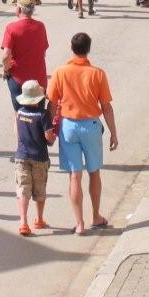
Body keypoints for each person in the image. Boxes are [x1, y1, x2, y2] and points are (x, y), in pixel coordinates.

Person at [47, 33, 118, 235]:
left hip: (68, 126)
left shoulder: (60, 72)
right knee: (94, 172)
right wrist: (113, 133)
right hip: (91, 126)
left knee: (74, 176)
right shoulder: (97, 74)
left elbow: (51, 103)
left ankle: (79, 224)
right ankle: (96, 216)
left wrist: (52, 128)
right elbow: (106, 106)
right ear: (89, 49)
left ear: (71, 48)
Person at [13, 80, 55, 236]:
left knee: (23, 188)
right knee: (39, 189)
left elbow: (17, 133)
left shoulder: (19, 113)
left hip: (22, 155)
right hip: (39, 156)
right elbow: (48, 137)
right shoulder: (42, 115)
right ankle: (39, 219)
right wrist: (52, 138)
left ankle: (23, 222)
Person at [1, 0, 49, 111]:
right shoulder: (40, 26)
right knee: (39, 116)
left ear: (19, 9)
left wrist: (5, 69)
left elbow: (6, 55)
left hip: (18, 78)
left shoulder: (11, 28)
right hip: (38, 79)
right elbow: (43, 52)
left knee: (19, 116)